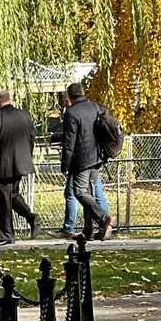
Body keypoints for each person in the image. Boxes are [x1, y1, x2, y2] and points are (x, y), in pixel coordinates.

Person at [50, 91, 108, 240]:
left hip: (82, 160)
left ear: (70, 96)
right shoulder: (94, 107)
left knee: (80, 192)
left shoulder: (72, 113)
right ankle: (88, 231)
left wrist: (65, 165)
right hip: (97, 158)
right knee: (90, 193)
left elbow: (70, 141)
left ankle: (103, 219)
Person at [0, 88, 38, 245]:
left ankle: (7, 234)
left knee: (2, 200)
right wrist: (27, 156)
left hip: (4, 164)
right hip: (21, 163)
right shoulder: (24, 115)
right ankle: (31, 217)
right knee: (12, 195)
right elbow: (31, 138)